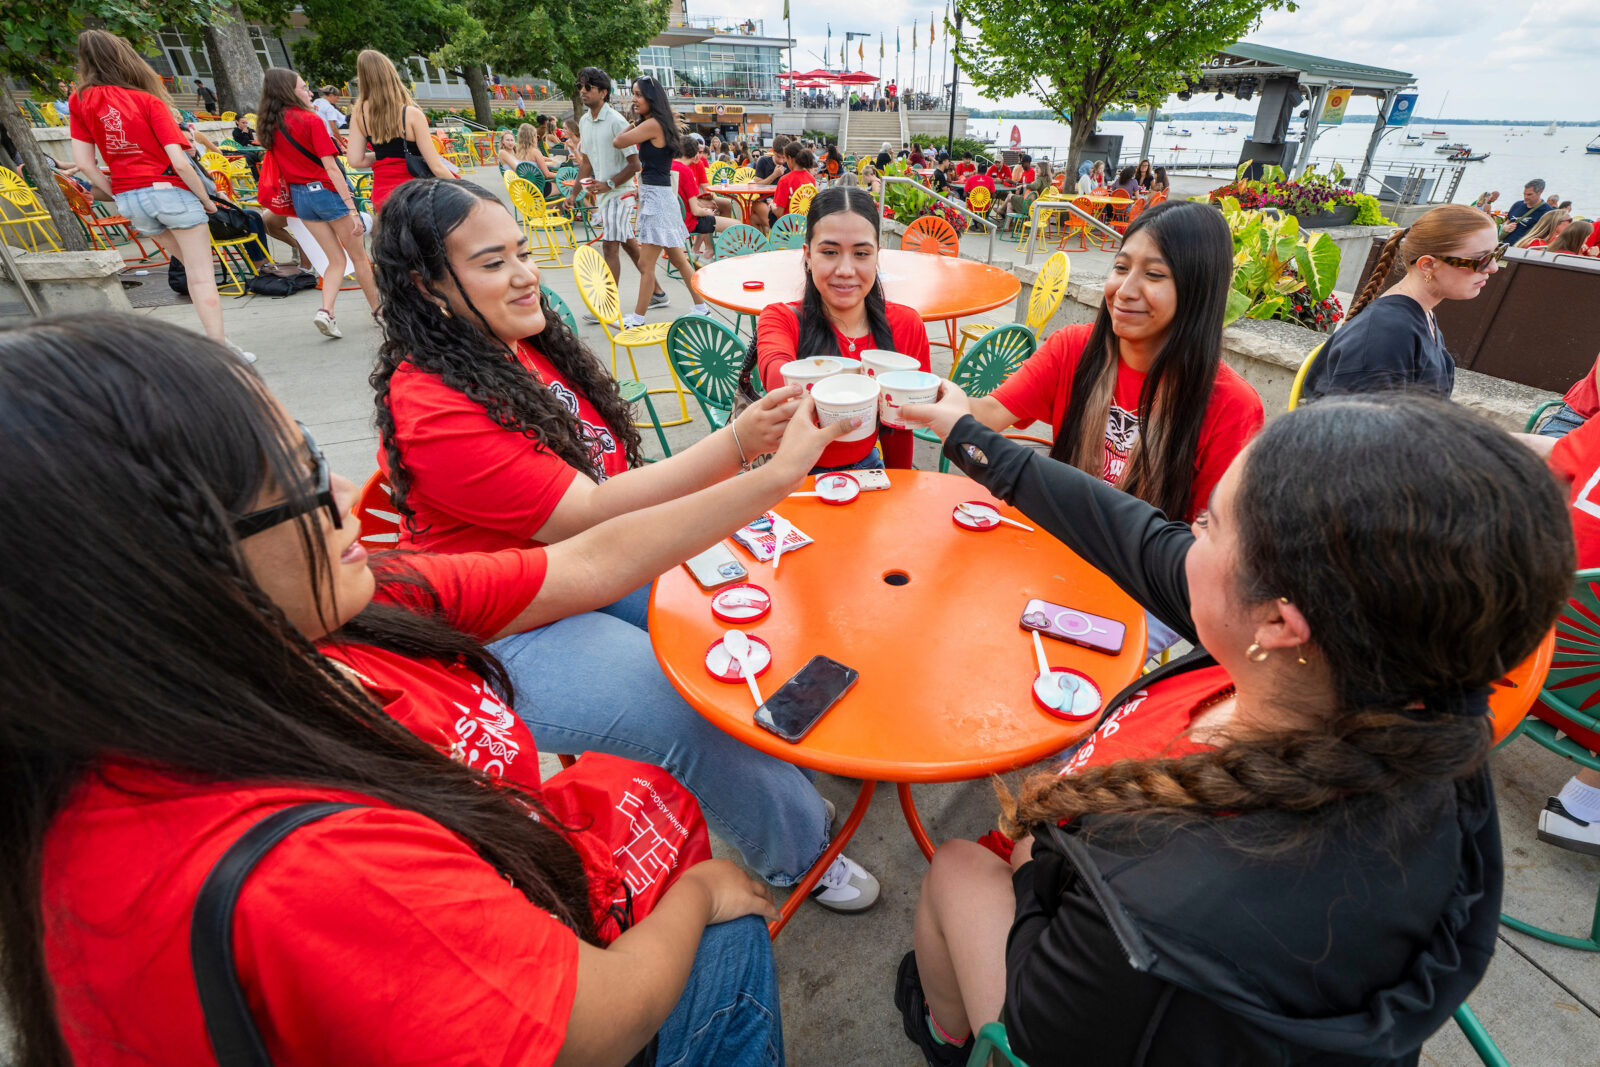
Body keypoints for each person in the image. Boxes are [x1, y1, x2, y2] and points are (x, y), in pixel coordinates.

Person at [0, 314, 798, 1066]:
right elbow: (589, 1027)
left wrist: (779, 474)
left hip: (517, 902)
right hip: (560, 992)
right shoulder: (308, 866)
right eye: (303, 469)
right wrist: (701, 892)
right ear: (155, 559)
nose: (353, 492)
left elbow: (586, 563)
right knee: (729, 922)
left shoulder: (324, 616)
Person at [895, 389, 1571, 1067]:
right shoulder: (1396, 694)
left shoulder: (1167, 916)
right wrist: (967, 433)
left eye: (1211, 524)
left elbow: (1046, 1034)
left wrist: (1032, 863)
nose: (1184, 531)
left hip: (1088, 960)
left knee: (955, 865)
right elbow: (1128, 532)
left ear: (1281, 621)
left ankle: (945, 1038)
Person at [370, 178, 882, 910]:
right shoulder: (434, 404)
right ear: (428, 286)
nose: (523, 274)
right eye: (492, 262)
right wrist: (760, 462)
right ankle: (801, 852)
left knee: (748, 601)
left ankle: (782, 774)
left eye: (522, 251)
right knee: (684, 706)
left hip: (586, 569)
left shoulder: (517, 347)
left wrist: (744, 446)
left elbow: (616, 503)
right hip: (507, 629)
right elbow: (596, 520)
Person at [957, 198, 1262, 534]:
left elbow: (1210, 546)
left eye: (1154, 274)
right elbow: (987, 414)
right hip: (1060, 547)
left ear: (1198, 290)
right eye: (1120, 267)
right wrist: (927, 395)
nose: (1124, 290)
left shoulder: (1232, 406)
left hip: (1147, 580)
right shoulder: (1073, 348)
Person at [68, 30, 250, 362]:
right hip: (170, 193)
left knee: (188, 268)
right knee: (201, 275)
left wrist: (116, 192)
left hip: (131, 198)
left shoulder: (79, 100)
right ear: (126, 58)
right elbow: (180, 163)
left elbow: (84, 163)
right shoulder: (147, 100)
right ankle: (220, 352)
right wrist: (208, 202)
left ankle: (220, 342)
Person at [755, 186, 933, 473]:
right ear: (808, 256)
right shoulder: (780, 318)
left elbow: (899, 426)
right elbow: (779, 378)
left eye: (861, 253)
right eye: (829, 252)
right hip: (790, 473)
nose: (846, 270)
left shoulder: (905, 325)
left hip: (867, 470)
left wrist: (899, 484)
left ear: (877, 257)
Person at [1301, 204, 1501, 402]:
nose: (1493, 268)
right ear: (1428, 265)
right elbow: (1359, 429)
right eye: (1481, 259)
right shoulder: (1388, 332)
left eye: (1496, 254)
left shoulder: (1421, 316)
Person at [257, 68, 379, 339]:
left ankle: (326, 311)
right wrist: (352, 209)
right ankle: (377, 311)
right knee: (359, 257)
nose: (309, 92)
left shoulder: (270, 124)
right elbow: (332, 168)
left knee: (334, 260)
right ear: (289, 91)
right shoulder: (310, 120)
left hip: (302, 198)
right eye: (303, 87)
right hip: (326, 192)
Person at [560, 67, 670, 317]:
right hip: (604, 195)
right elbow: (586, 161)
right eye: (580, 87)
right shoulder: (585, 121)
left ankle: (606, 306)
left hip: (621, 193)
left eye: (588, 87)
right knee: (628, 243)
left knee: (609, 246)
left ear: (603, 92)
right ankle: (658, 293)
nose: (583, 92)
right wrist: (574, 194)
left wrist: (608, 184)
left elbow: (635, 164)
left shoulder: (617, 122)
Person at [612, 76, 707, 326]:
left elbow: (618, 142)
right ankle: (702, 306)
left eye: (638, 95)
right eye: (633, 94)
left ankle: (638, 317)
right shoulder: (656, 123)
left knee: (646, 263)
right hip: (658, 196)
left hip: (658, 200)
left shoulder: (652, 124)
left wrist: (632, 123)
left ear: (651, 99)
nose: (634, 99)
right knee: (678, 259)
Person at [345, 49, 454, 214]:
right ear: (392, 76)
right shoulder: (411, 114)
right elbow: (437, 167)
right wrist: (467, 192)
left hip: (383, 196)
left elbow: (355, 161)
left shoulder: (359, 114)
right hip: (415, 193)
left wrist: (386, 154)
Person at [676, 138, 734, 258]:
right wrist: (707, 212)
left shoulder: (671, 167)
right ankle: (714, 253)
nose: (701, 155)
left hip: (677, 218)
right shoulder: (686, 171)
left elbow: (703, 189)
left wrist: (707, 202)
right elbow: (696, 210)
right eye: (699, 152)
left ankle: (708, 252)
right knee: (738, 225)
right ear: (694, 153)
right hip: (689, 220)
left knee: (719, 205)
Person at [497, 123, 559, 190]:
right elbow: (547, 175)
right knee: (563, 184)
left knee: (555, 180)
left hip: (525, 185)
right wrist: (562, 175)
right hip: (534, 186)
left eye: (512, 140)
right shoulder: (504, 152)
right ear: (532, 137)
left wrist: (549, 159)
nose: (510, 142)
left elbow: (528, 161)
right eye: (507, 140)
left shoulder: (519, 151)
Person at [1500, 179, 1551, 244]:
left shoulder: (1548, 212)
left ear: (1540, 192)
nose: (1525, 197)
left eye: (1529, 194)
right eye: (1524, 194)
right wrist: (1505, 228)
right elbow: (1508, 221)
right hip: (1506, 246)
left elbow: (1548, 235)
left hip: (1525, 249)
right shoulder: (1517, 205)